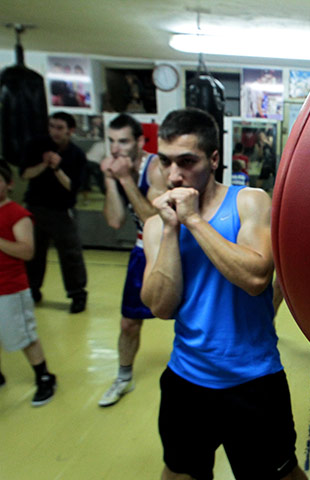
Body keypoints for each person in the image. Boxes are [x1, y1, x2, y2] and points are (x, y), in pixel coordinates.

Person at [141, 108, 307, 480]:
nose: (174, 176)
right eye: (165, 162)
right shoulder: (156, 225)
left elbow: (255, 278)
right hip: (187, 379)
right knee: (180, 472)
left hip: (253, 381)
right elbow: (161, 307)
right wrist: (171, 229)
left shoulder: (249, 202)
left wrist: (194, 220)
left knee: (280, 475)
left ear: (214, 159)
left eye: (187, 162)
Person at [97, 113, 165, 407]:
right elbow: (115, 220)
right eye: (111, 141)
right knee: (128, 324)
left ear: (139, 141)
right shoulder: (118, 168)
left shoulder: (156, 168)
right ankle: (124, 377)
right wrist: (111, 180)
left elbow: (154, 220)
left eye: (123, 141)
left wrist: (124, 178)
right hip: (141, 251)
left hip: (175, 248)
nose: (116, 149)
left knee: (196, 317)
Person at [0, 161, 57, 406]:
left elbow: (27, 251)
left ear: (9, 184)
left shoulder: (17, 214)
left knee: (24, 335)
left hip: (10, 289)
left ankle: (44, 376)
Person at [20, 111, 88, 313]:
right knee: (33, 253)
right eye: (52, 126)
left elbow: (73, 187)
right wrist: (44, 164)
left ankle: (77, 294)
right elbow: (25, 174)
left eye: (60, 128)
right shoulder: (36, 145)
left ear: (70, 130)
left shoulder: (76, 155)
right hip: (35, 208)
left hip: (61, 210)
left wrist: (57, 168)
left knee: (70, 254)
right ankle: (32, 289)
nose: (55, 132)